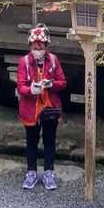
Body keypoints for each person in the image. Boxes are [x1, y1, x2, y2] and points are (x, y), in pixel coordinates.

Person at [16, 24, 68, 191]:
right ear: (30, 46)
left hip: (50, 107)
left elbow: (63, 82)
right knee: (31, 141)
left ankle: (48, 172)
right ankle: (31, 172)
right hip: (30, 108)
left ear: (46, 46)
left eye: (41, 47)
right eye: (35, 47)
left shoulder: (53, 60)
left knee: (49, 140)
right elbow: (20, 86)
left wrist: (51, 84)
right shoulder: (24, 62)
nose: (38, 50)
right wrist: (31, 90)